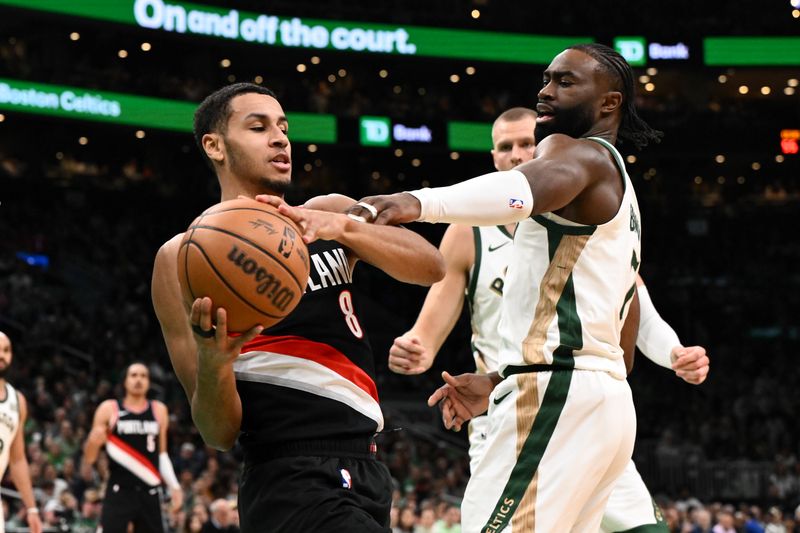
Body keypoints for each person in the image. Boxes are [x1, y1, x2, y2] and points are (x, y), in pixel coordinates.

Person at [339, 43, 672, 531]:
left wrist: (412, 202)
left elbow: (518, 192)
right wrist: (502, 380)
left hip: (556, 395)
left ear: (609, 103)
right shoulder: (622, 188)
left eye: (565, 81)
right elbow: (622, 332)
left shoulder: (575, 152)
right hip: (603, 402)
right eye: (547, 78)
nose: (546, 90)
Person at [388, 108, 710, 532]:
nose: (517, 154)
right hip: (508, 409)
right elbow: (427, 331)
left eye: (526, 143)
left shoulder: (582, 211)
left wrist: (672, 352)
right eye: (506, 147)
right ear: (493, 158)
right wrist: (415, 347)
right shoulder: (470, 233)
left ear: (546, 148)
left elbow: (633, 299)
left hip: (575, 401)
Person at [151, 83, 444, 532]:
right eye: (258, 126)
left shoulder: (325, 214)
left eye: (283, 127)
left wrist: (345, 228)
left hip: (367, 469)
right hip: (287, 476)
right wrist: (215, 360)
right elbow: (218, 432)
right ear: (214, 145)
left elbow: (431, 266)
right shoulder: (181, 258)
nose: (280, 138)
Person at [82, 362, 183, 533]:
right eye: (134, 375)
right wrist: (93, 443)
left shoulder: (159, 410)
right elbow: (90, 458)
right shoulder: (109, 408)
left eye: (143, 376)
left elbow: (162, 454)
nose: (139, 380)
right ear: (125, 381)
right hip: (119, 490)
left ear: (149, 382)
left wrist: (174, 486)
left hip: (150, 491)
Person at [0, 332, 42, 533]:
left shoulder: (17, 400)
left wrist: (32, 508)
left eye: (6, 350)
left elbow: (17, 460)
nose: (2, 355)